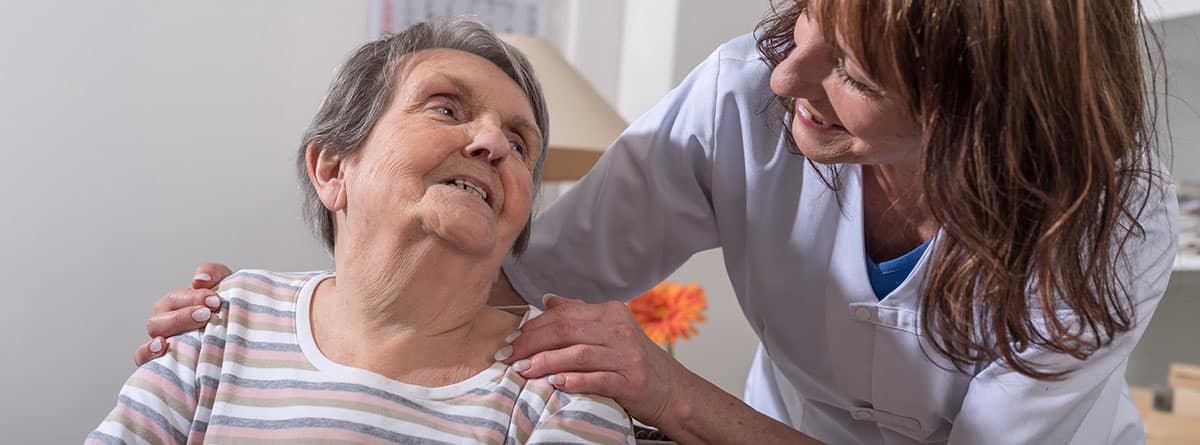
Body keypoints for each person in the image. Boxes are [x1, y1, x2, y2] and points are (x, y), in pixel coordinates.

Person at [136, 0, 1179, 443]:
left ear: (977, 117)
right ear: (331, 167)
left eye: (853, 75)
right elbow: (534, 272)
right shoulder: (230, 330)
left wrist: (674, 391)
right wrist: (275, 313)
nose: (787, 75)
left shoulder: (1105, 225)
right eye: (447, 110)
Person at [90, 19, 635, 445]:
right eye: (446, 109)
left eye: (520, 145)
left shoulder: (564, 387)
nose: (492, 143)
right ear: (332, 170)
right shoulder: (221, 323)